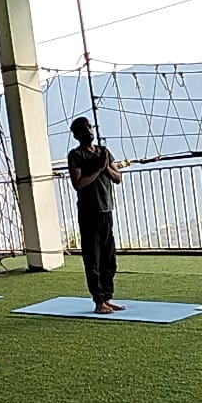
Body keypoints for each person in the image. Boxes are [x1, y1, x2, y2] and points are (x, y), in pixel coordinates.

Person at [67, 116, 127, 314]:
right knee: (93, 258)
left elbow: (117, 178)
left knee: (109, 259)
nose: (89, 131)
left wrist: (106, 167)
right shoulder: (76, 155)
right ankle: (98, 301)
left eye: (89, 127)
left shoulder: (104, 152)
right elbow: (79, 184)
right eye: (83, 129)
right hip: (89, 212)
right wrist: (98, 168)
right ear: (77, 135)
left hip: (106, 210)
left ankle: (108, 297)